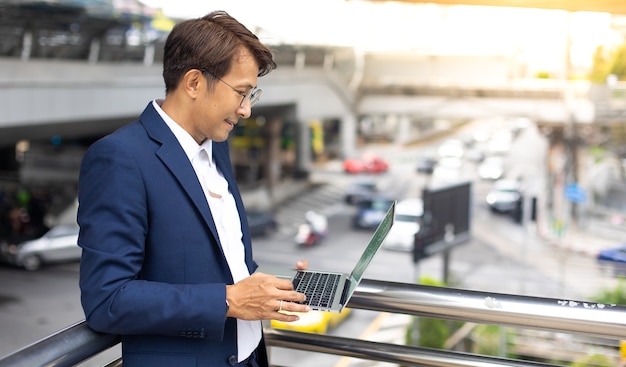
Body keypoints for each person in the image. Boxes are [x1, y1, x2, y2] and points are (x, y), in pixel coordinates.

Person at [77, 10, 310, 367]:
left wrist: (270, 288)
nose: (246, 110)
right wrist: (229, 301)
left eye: (252, 95)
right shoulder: (120, 158)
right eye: (241, 93)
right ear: (194, 83)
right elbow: (107, 299)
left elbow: (218, 262)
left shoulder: (217, 145)